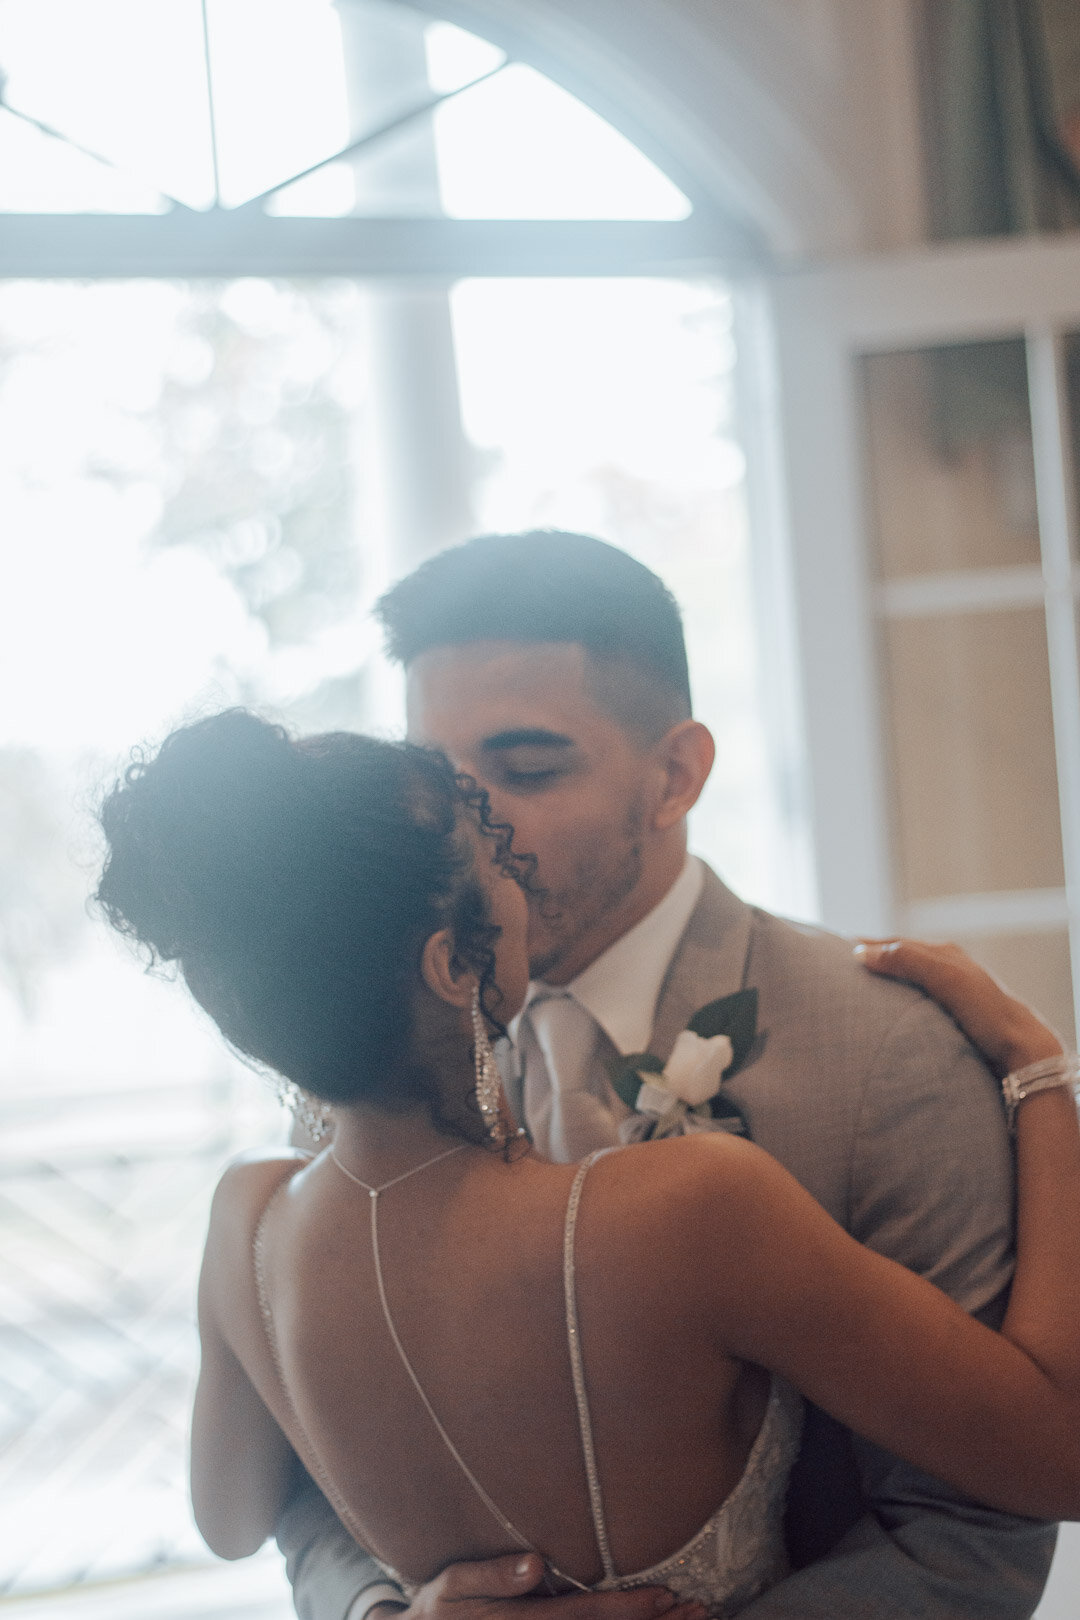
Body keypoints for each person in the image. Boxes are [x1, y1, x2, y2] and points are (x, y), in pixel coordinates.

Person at [94, 710, 1080, 1620]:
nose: (520, 887)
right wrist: (1042, 1080)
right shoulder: (691, 1207)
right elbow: (1059, 1452)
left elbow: (228, 1521)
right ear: (452, 966)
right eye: (496, 866)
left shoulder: (246, 1224)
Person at [277, 531, 1062, 1620]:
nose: (475, 836)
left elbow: (972, 1531)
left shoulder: (889, 1055)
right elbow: (305, 1480)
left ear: (675, 775)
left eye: (526, 771)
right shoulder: (372, 1050)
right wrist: (382, 1614)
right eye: (439, 788)